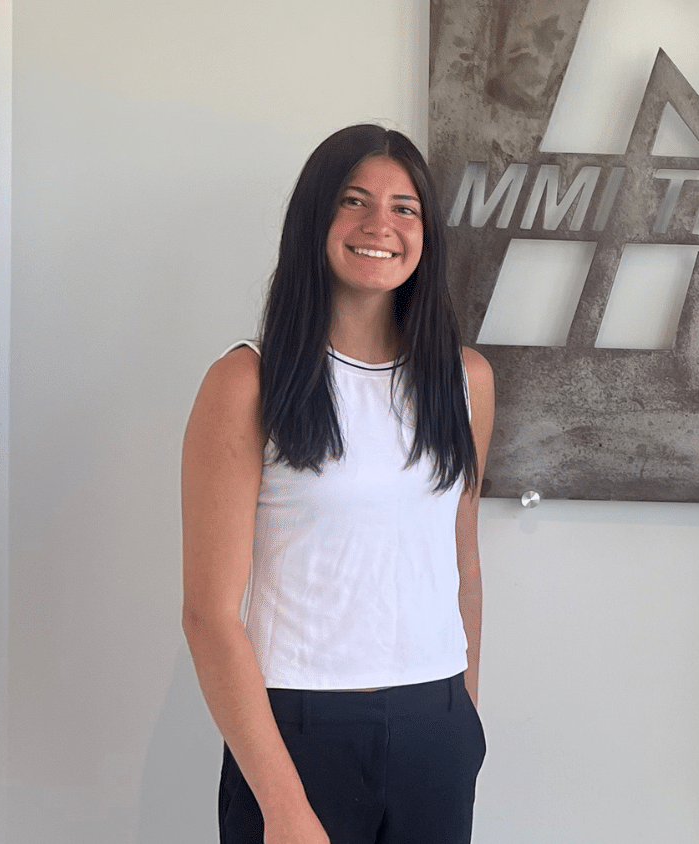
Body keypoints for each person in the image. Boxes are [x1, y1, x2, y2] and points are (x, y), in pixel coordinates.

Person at [181, 124, 494, 844]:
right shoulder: (247, 381)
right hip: (299, 729)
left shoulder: (465, 379)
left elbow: (462, 560)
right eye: (354, 201)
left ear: (426, 233)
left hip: (436, 727)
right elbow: (208, 614)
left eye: (404, 208)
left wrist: (466, 722)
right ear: (314, 220)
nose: (380, 224)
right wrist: (284, 807)